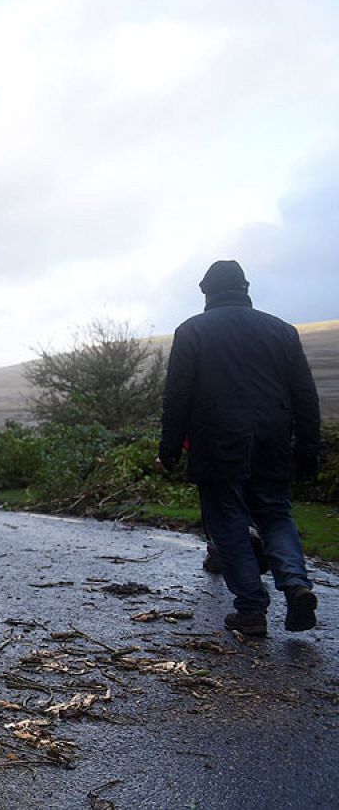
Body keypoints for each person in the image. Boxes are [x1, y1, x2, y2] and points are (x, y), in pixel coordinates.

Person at [159, 260, 324, 636]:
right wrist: (309, 448)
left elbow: (178, 396)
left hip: (217, 440)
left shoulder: (191, 331)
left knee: (228, 519)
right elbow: (304, 395)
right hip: (274, 437)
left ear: (206, 292)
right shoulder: (282, 331)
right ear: (246, 289)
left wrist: (169, 448)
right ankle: (296, 584)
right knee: (276, 513)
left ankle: (251, 610)